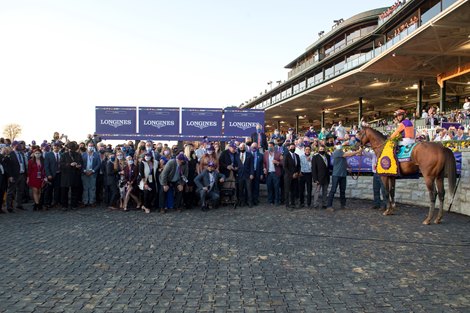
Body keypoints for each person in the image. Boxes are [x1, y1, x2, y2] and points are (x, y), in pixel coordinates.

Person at [326, 144, 361, 211]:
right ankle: (329, 206)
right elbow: (349, 154)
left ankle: (343, 205)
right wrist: (358, 151)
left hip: (343, 174)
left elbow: (344, 161)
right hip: (336, 175)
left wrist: (348, 167)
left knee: (342, 191)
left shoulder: (341, 153)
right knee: (333, 190)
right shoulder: (337, 152)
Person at [4, 141, 28, 212]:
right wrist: (10, 176)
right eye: (18, 145)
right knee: (11, 191)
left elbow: (23, 164)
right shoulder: (10, 154)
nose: (20, 146)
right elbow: (8, 166)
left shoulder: (22, 154)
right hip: (14, 175)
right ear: (14, 146)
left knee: (20, 191)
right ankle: (9, 207)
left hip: (22, 174)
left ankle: (19, 205)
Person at [60, 141, 83, 210]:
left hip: (75, 175)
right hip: (66, 175)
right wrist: (69, 164)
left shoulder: (78, 155)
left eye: (73, 148)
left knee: (75, 191)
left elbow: (81, 163)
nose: (71, 150)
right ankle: (64, 205)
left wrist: (79, 166)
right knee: (64, 191)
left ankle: (74, 205)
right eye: (70, 148)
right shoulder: (64, 155)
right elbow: (61, 165)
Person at [81, 142, 101, 207]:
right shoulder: (83, 154)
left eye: (92, 146)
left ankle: (92, 201)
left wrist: (93, 171)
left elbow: (98, 164)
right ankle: (85, 201)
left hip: (93, 173)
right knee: (85, 188)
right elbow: (80, 164)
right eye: (89, 146)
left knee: (92, 188)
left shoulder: (97, 155)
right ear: (87, 146)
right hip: (84, 173)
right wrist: (84, 171)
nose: (91, 147)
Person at [263, 141, 282, 206]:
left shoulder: (278, 153)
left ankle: (277, 201)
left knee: (276, 188)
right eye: (268, 146)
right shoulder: (265, 153)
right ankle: (270, 201)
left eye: (271, 146)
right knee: (269, 188)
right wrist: (264, 168)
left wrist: (277, 162)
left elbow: (282, 163)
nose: (269, 147)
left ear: (274, 146)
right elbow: (264, 163)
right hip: (268, 173)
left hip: (276, 173)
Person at [311, 145, 331, 209]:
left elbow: (328, 167)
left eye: (323, 149)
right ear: (318, 150)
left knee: (325, 192)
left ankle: (324, 204)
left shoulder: (327, 156)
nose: (322, 150)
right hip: (318, 178)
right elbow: (313, 169)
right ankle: (315, 204)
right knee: (317, 191)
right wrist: (315, 179)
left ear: (324, 149)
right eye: (320, 149)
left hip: (326, 177)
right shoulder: (315, 157)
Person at [44, 142, 62, 208]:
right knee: (49, 189)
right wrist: (48, 174)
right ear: (52, 147)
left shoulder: (61, 154)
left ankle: (56, 202)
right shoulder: (48, 154)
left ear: (59, 147)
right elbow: (46, 166)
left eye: (57, 146)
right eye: (55, 146)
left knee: (57, 189)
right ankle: (48, 203)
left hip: (59, 174)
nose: (56, 148)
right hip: (51, 175)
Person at [283, 142, 300, 210]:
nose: (292, 148)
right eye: (291, 147)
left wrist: (297, 173)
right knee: (287, 191)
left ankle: (293, 203)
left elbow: (298, 166)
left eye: (293, 147)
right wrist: (291, 174)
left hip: (295, 176)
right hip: (288, 176)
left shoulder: (297, 155)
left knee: (293, 190)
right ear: (289, 148)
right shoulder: (286, 155)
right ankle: (287, 205)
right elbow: (285, 167)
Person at [236, 142, 254, 208]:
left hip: (248, 175)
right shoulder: (237, 155)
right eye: (241, 147)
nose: (242, 148)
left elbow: (252, 165)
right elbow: (236, 165)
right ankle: (241, 202)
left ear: (245, 148)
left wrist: (252, 174)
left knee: (249, 189)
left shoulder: (250, 155)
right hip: (240, 175)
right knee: (240, 190)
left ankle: (250, 202)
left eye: (243, 147)